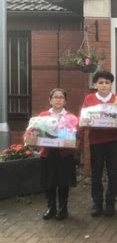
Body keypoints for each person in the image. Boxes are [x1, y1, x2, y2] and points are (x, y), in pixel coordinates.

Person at [81, 71, 117, 217]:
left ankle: (110, 202)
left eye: (107, 82)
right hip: (96, 141)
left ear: (111, 84)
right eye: (101, 82)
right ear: (95, 84)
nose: (104, 86)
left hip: (113, 141)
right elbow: (83, 119)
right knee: (96, 173)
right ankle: (97, 203)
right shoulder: (89, 99)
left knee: (112, 173)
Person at [39, 88, 77, 220]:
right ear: (50, 100)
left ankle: (63, 208)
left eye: (61, 97)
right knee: (49, 182)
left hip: (64, 154)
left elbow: (75, 135)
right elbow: (34, 131)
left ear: (65, 101)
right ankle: (51, 208)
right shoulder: (43, 116)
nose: (58, 99)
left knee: (63, 182)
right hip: (47, 153)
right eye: (55, 97)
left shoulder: (71, 117)